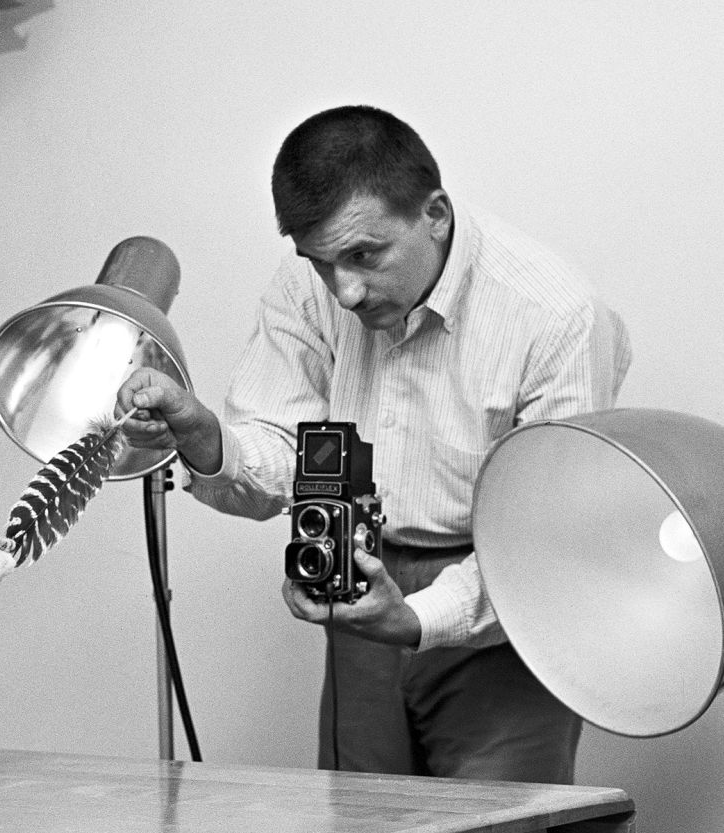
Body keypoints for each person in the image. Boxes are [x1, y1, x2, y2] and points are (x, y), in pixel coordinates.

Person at [115, 105, 631, 783]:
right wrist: (205, 435)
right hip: (360, 588)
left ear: (436, 214)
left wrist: (415, 616)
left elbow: (545, 544)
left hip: (505, 613)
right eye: (321, 262)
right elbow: (280, 447)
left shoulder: (559, 317)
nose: (345, 289)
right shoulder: (311, 285)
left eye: (364, 255)